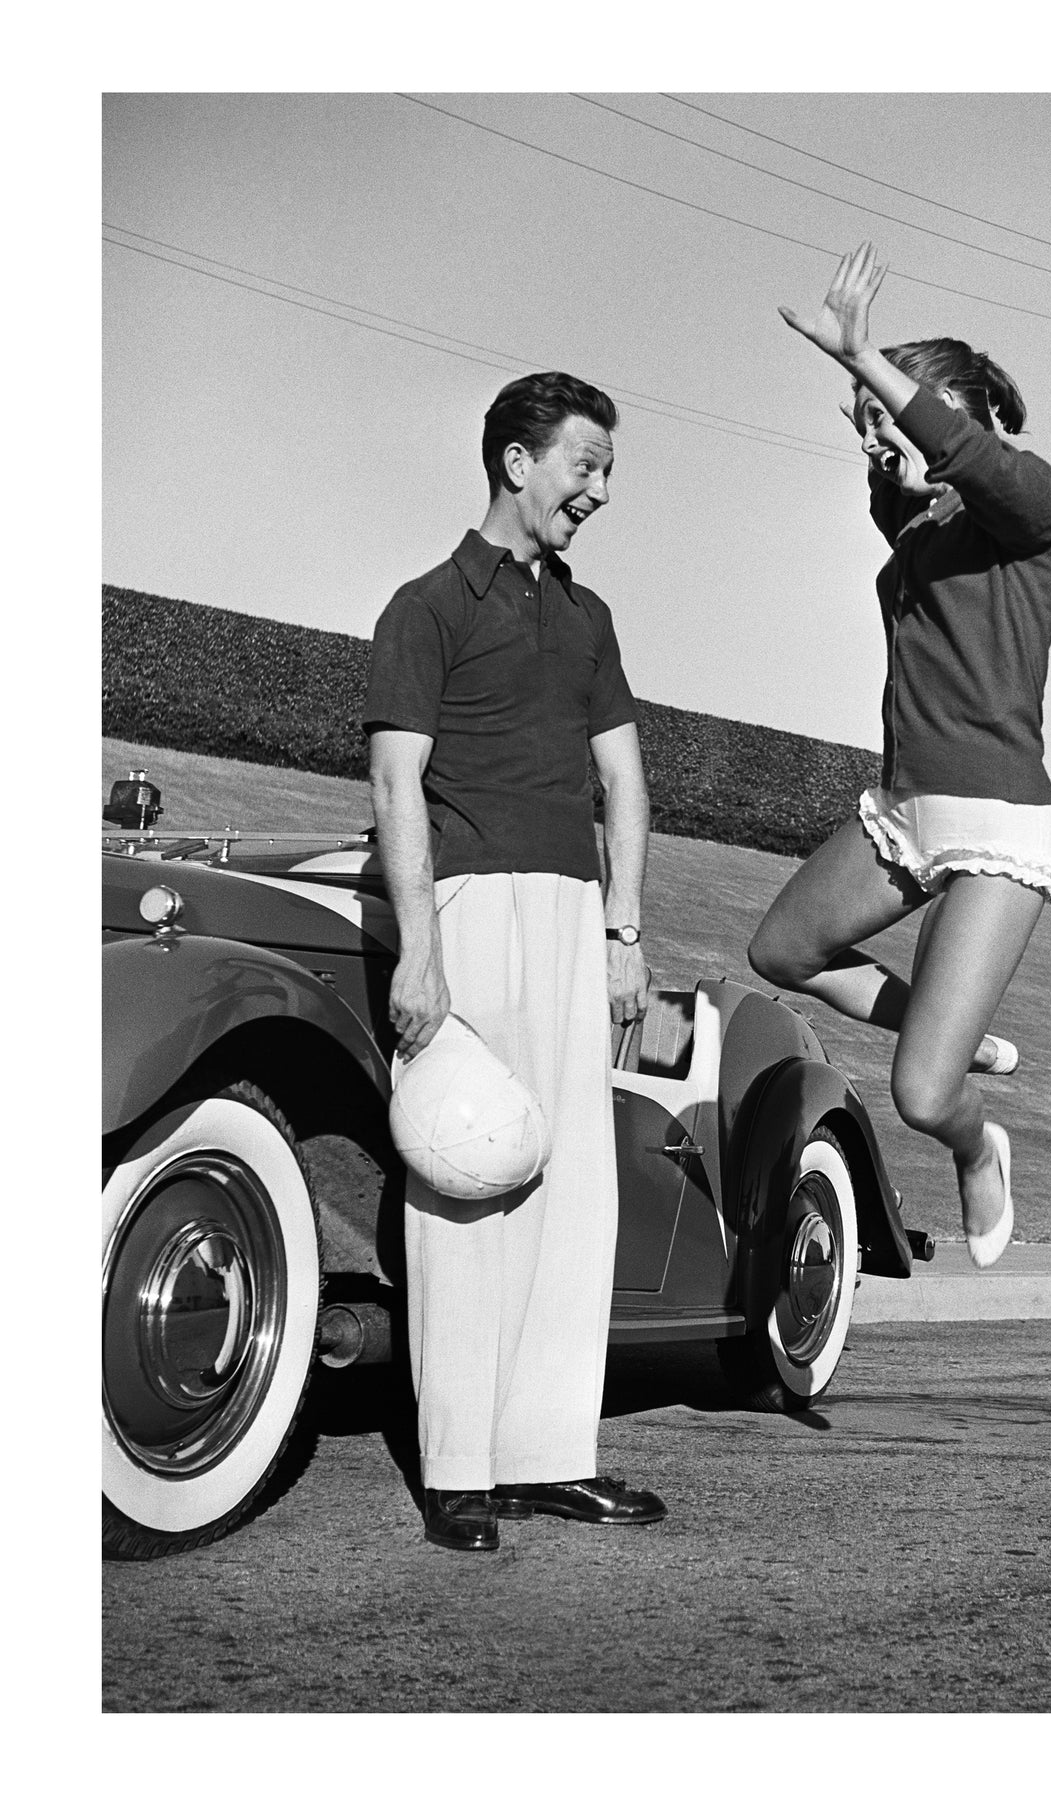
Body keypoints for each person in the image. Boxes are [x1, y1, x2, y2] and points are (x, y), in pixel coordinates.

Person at [364, 370, 666, 1552]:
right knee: (465, 1179)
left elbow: (624, 782)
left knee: (571, 1185)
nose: (596, 491)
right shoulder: (424, 607)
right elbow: (396, 783)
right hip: (466, 907)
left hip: (572, 919)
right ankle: (457, 1473)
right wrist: (419, 958)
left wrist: (624, 932)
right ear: (516, 463)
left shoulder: (586, 619)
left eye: (604, 472)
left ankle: (548, 1456)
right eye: (583, 465)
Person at [749, 243, 1051, 1268]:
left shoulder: (1031, 511)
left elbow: (967, 459)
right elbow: (909, 478)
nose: (876, 442)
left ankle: (980, 1146)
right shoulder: (918, 525)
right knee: (782, 954)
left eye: (889, 419)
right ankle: (948, 1024)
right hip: (902, 811)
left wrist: (867, 364)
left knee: (921, 1095)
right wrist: (869, 412)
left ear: (953, 412)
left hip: (993, 829)